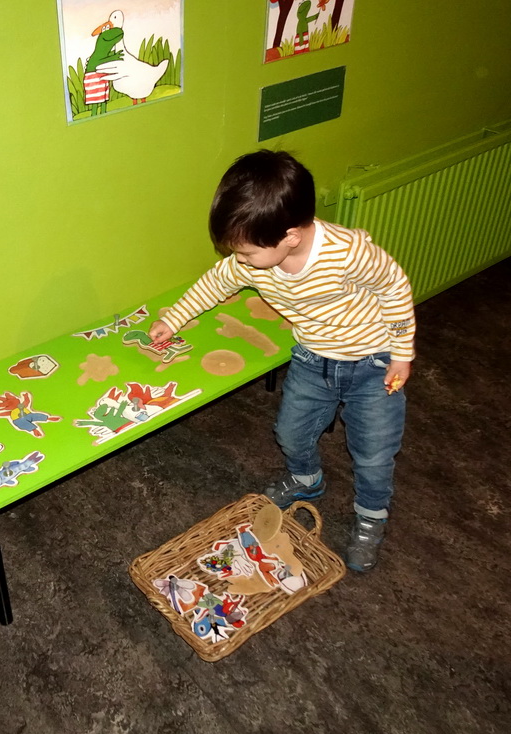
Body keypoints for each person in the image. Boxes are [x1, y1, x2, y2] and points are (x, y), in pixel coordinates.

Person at [150, 150, 416, 572]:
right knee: (290, 432)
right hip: (313, 359)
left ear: (290, 235)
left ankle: (370, 518)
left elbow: (395, 288)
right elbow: (215, 283)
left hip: (373, 364)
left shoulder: (348, 253)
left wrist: (402, 354)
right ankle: (307, 479)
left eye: (248, 254)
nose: (240, 262)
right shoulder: (253, 261)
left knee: (373, 453)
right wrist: (174, 318)